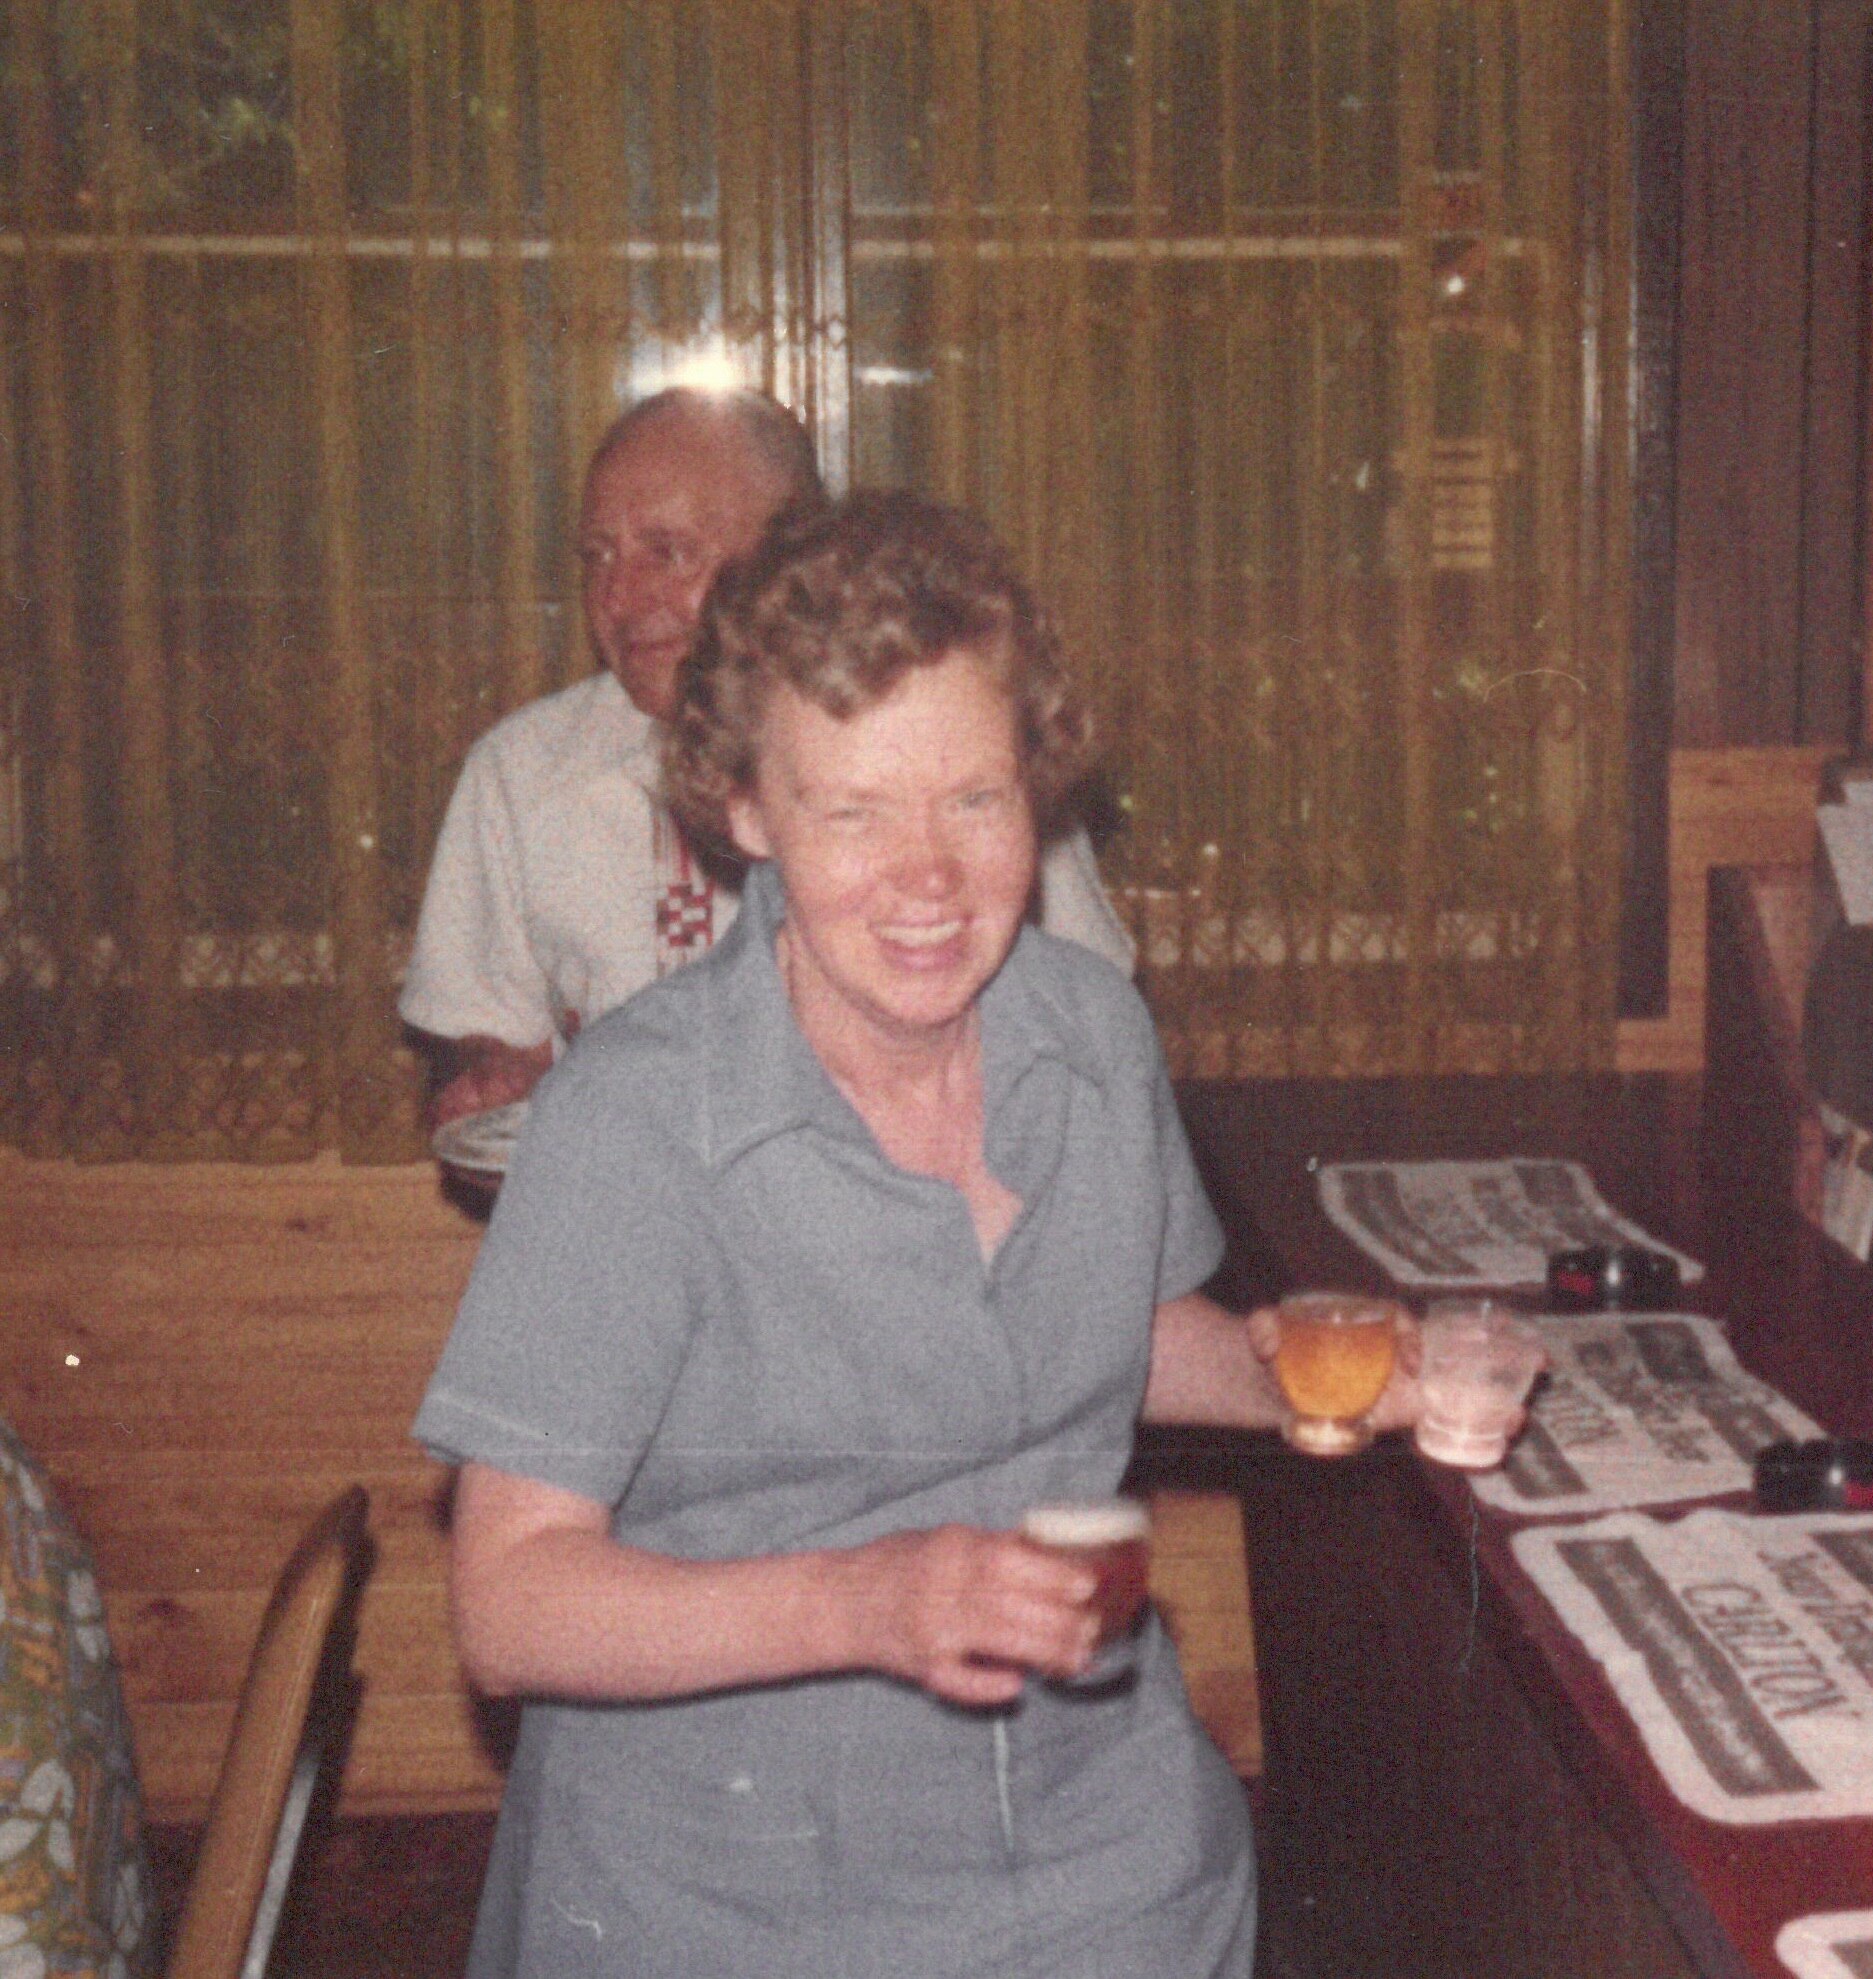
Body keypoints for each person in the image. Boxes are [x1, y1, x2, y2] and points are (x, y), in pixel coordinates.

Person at [413, 491, 1407, 1977]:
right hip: (731, 1912)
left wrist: (1319, 1375)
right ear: (748, 813)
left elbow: (1107, 1332)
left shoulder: (1091, 1033)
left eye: (973, 798)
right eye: (854, 810)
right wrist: (871, 1597)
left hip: (1108, 1873)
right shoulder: (636, 1119)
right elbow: (507, 1598)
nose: (928, 875)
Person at [400, 388, 1136, 1129]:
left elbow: (1088, 1035)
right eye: (598, 556)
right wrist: (496, 1079)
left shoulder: (955, 750)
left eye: (667, 551)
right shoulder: (520, 773)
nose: (619, 595)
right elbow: (486, 1041)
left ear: (785, 554)